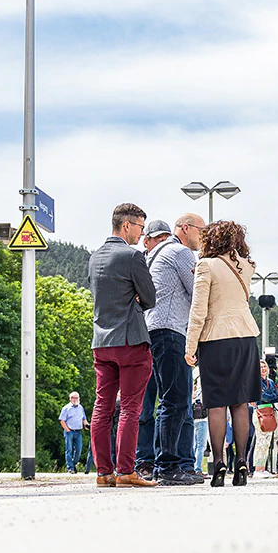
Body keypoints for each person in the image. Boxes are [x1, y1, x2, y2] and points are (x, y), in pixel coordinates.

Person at [184, 220, 261, 488]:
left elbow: (198, 311)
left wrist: (190, 346)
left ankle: (219, 464)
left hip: (216, 338)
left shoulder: (206, 265)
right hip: (246, 337)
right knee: (240, 403)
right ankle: (241, 461)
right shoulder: (247, 266)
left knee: (216, 403)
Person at [88, 203, 158, 488]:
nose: (142, 235)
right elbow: (150, 297)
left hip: (101, 342)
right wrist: (136, 302)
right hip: (130, 340)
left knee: (102, 407)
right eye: (141, 228)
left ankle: (103, 473)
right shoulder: (132, 256)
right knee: (130, 407)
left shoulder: (94, 258)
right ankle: (126, 471)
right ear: (126, 225)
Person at [141, 213, 205, 485]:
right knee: (176, 401)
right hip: (170, 331)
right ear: (185, 228)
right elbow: (198, 292)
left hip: (154, 332)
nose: (203, 237)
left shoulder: (156, 255)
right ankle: (168, 467)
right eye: (201, 231)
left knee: (166, 400)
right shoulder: (179, 252)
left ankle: (164, 463)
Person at [136, 219, 172, 465]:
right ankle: (144, 460)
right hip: (141, 336)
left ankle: (159, 459)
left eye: (166, 238)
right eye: (158, 238)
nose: (163, 243)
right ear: (145, 240)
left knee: (166, 402)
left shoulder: (171, 260)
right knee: (144, 405)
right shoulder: (139, 262)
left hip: (162, 334)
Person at [251, 359, 278, 476]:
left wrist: (268, 395)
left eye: (264, 367)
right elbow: (261, 396)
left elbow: (276, 397)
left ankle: (263, 468)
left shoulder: (270, 382)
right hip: (260, 411)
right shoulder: (255, 382)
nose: (263, 369)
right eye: (260, 367)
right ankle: (258, 469)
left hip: (270, 411)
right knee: (260, 441)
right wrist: (269, 395)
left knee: (267, 442)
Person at [60, 391, 87, 473]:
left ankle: (73, 463)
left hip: (78, 431)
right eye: (73, 398)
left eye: (76, 398)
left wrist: (87, 425)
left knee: (79, 449)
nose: (75, 399)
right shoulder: (66, 408)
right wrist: (67, 430)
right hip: (69, 431)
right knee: (69, 449)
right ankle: (70, 468)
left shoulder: (81, 408)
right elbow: (62, 420)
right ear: (70, 399)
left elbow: (84, 419)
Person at [191, 372, 208, 474]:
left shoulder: (193, 391)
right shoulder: (205, 391)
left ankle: (192, 467)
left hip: (193, 420)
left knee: (194, 446)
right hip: (202, 420)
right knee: (201, 446)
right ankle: (198, 469)